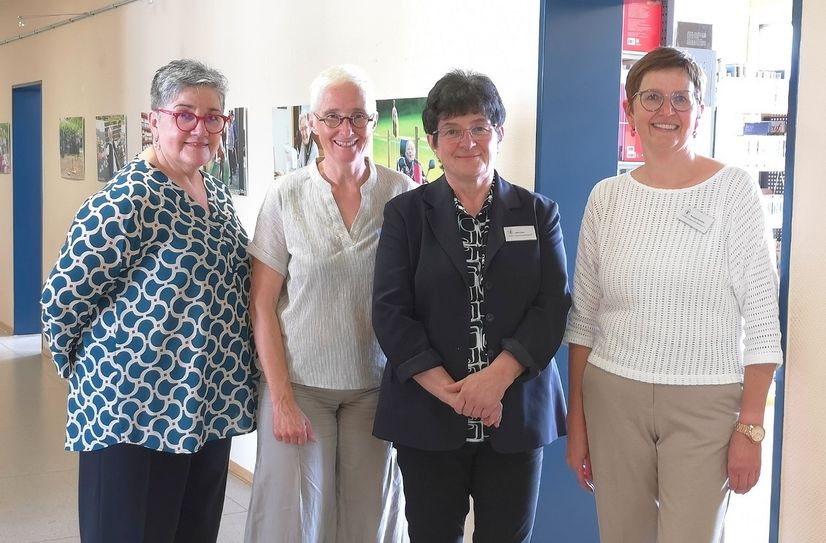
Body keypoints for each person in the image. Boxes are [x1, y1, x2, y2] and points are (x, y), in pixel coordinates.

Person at [564, 47, 783, 543]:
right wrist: (577, 424)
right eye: (652, 98)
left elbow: (764, 322)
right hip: (612, 395)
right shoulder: (606, 198)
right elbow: (583, 320)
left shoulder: (734, 191)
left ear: (700, 110)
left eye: (681, 99)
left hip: (706, 402)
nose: (667, 112)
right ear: (630, 110)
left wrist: (750, 428)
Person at [40, 59, 258, 543]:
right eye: (185, 114)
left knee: (192, 532)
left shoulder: (216, 195)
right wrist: (97, 379)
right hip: (132, 416)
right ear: (154, 119)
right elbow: (61, 302)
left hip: (203, 410)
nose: (200, 128)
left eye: (213, 116)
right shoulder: (126, 200)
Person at [372, 70, 571, 543]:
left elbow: (552, 305)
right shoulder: (406, 214)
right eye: (452, 130)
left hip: (516, 411)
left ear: (498, 133)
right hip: (429, 413)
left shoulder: (538, 213)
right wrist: (454, 393)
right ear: (433, 141)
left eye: (480, 127)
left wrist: (495, 380)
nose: (468, 141)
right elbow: (390, 310)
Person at [244, 65, 415, 543]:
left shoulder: (401, 195)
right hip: (299, 388)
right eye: (333, 117)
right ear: (311, 125)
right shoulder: (286, 196)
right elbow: (262, 305)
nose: (346, 130)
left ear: (374, 121)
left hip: (376, 389)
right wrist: (279, 400)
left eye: (358, 116)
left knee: (371, 521)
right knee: (294, 523)